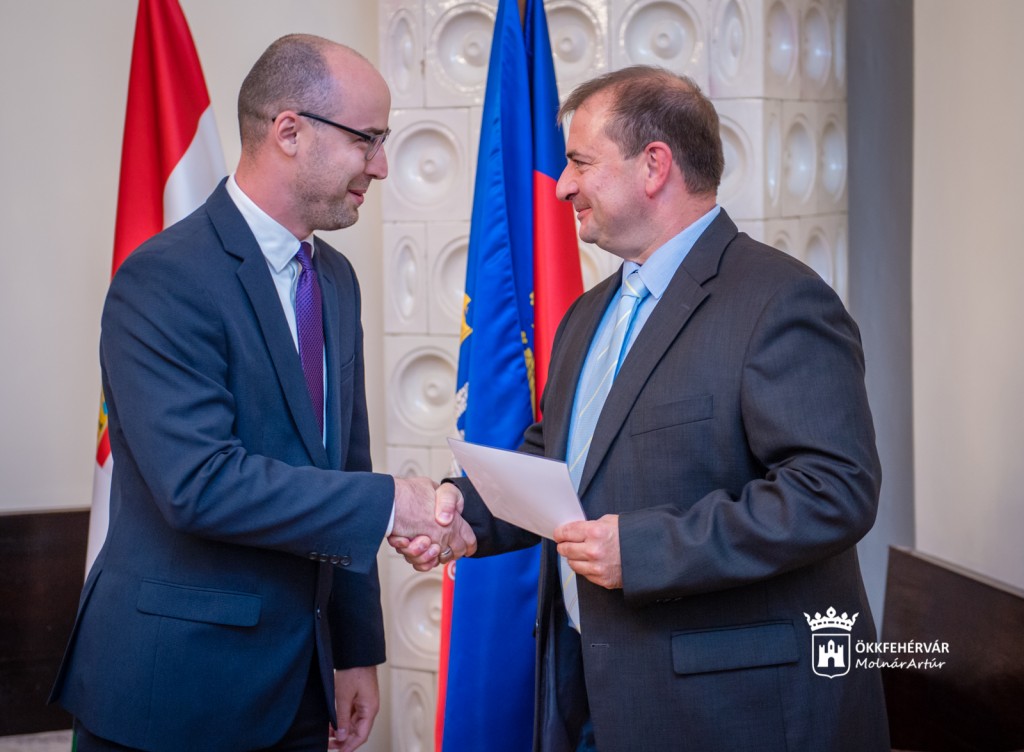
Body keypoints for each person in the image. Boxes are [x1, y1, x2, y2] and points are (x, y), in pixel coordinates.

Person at [395, 66, 889, 751]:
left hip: (728, 714)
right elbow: (560, 459)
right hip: (586, 693)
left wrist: (645, 550)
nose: (561, 185)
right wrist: (464, 514)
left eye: (580, 162)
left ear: (654, 165)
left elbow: (833, 491)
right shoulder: (587, 314)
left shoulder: (780, 301)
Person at [50, 34, 473, 752]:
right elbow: (199, 485)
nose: (380, 165)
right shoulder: (164, 278)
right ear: (289, 131)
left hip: (301, 687)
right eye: (367, 139)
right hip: (173, 693)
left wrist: (355, 649)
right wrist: (392, 503)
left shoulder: (335, 279)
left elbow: (343, 462)